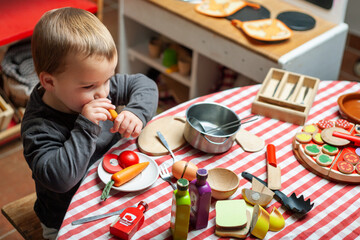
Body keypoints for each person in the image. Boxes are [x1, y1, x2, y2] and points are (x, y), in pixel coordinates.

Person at [21, 7, 158, 239]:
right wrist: (85, 125)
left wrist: (136, 112)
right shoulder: (38, 126)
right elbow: (60, 178)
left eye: (108, 79)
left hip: (111, 195)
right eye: (88, 86)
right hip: (67, 218)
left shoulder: (98, 84)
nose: (104, 92)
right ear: (49, 82)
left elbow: (145, 85)